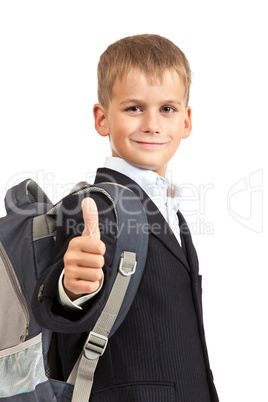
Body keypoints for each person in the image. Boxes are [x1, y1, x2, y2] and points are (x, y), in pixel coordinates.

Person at [32, 34, 219, 401]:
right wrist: (70, 287)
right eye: (134, 108)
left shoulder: (171, 211)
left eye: (167, 109)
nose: (152, 124)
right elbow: (64, 302)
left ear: (186, 121)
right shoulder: (93, 205)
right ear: (102, 118)